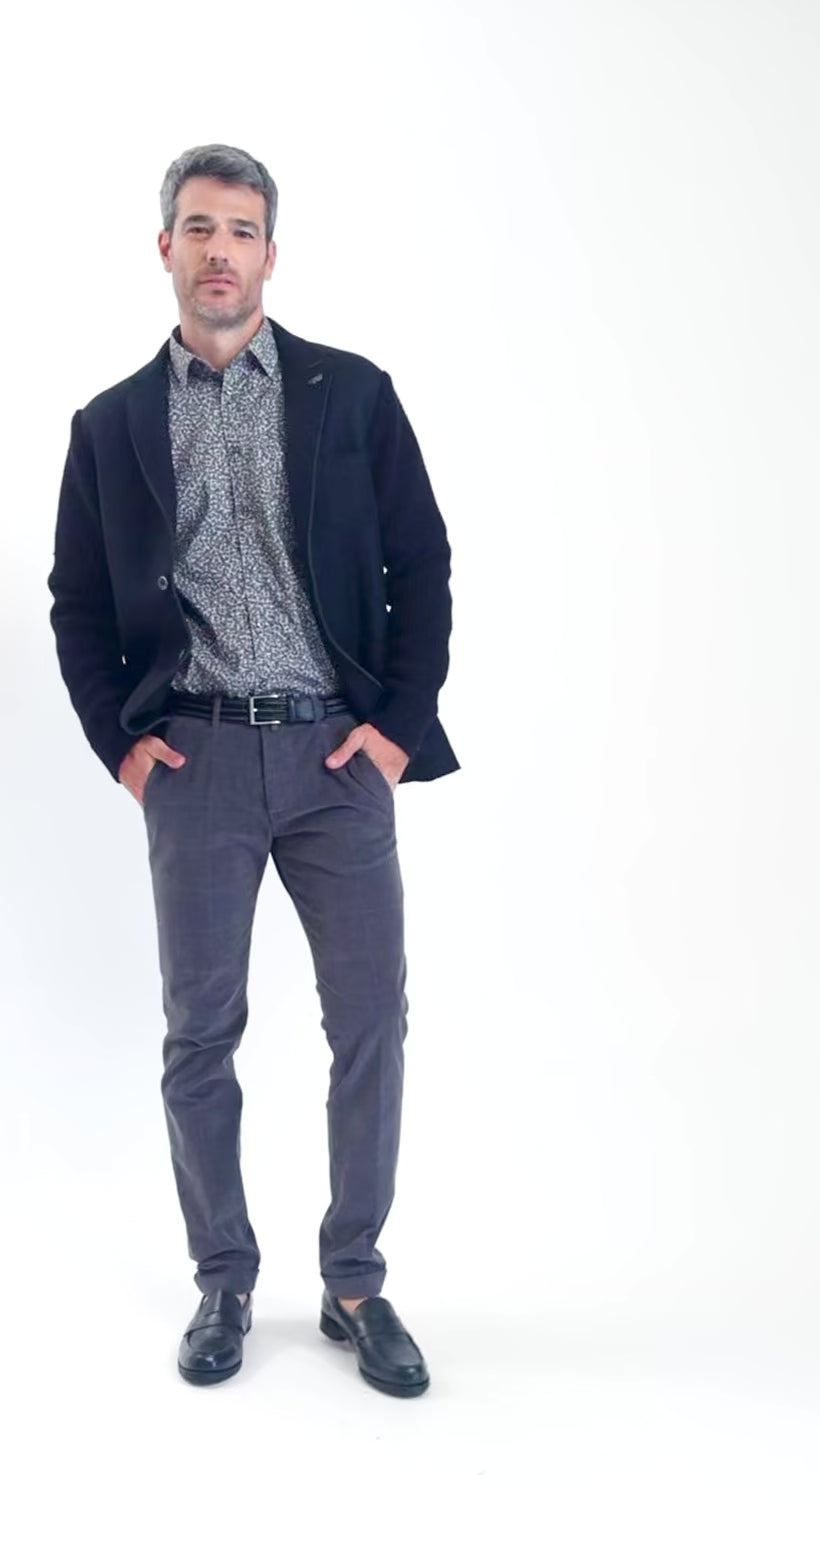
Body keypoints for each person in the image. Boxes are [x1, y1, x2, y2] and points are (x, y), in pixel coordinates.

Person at [47, 143, 459, 1395]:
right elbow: (76, 602)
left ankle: (354, 1281)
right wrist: (122, 747)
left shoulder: (353, 394)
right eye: (198, 227)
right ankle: (223, 1277)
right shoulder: (112, 425)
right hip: (200, 759)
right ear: (164, 249)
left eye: (240, 230)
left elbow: (422, 563)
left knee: (371, 1020)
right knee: (200, 1031)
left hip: (338, 754)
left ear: (271, 253)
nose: (219, 250)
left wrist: (395, 726)